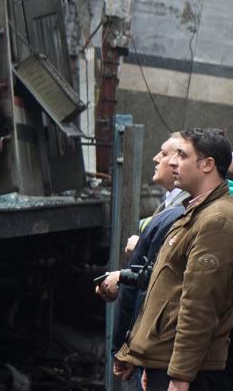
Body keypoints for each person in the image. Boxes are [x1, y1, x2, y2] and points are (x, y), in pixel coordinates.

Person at [114, 127, 233, 391]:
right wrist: (148, 358)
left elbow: (199, 307)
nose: (172, 162)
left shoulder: (216, 220)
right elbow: (165, 291)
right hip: (165, 364)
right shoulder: (192, 213)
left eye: (183, 155)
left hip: (188, 374)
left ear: (207, 165)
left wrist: (179, 376)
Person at [96, 134, 187, 385]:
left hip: (162, 352)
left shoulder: (187, 213)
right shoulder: (169, 206)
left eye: (166, 153)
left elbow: (166, 287)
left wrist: (134, 352)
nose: (157, 159)